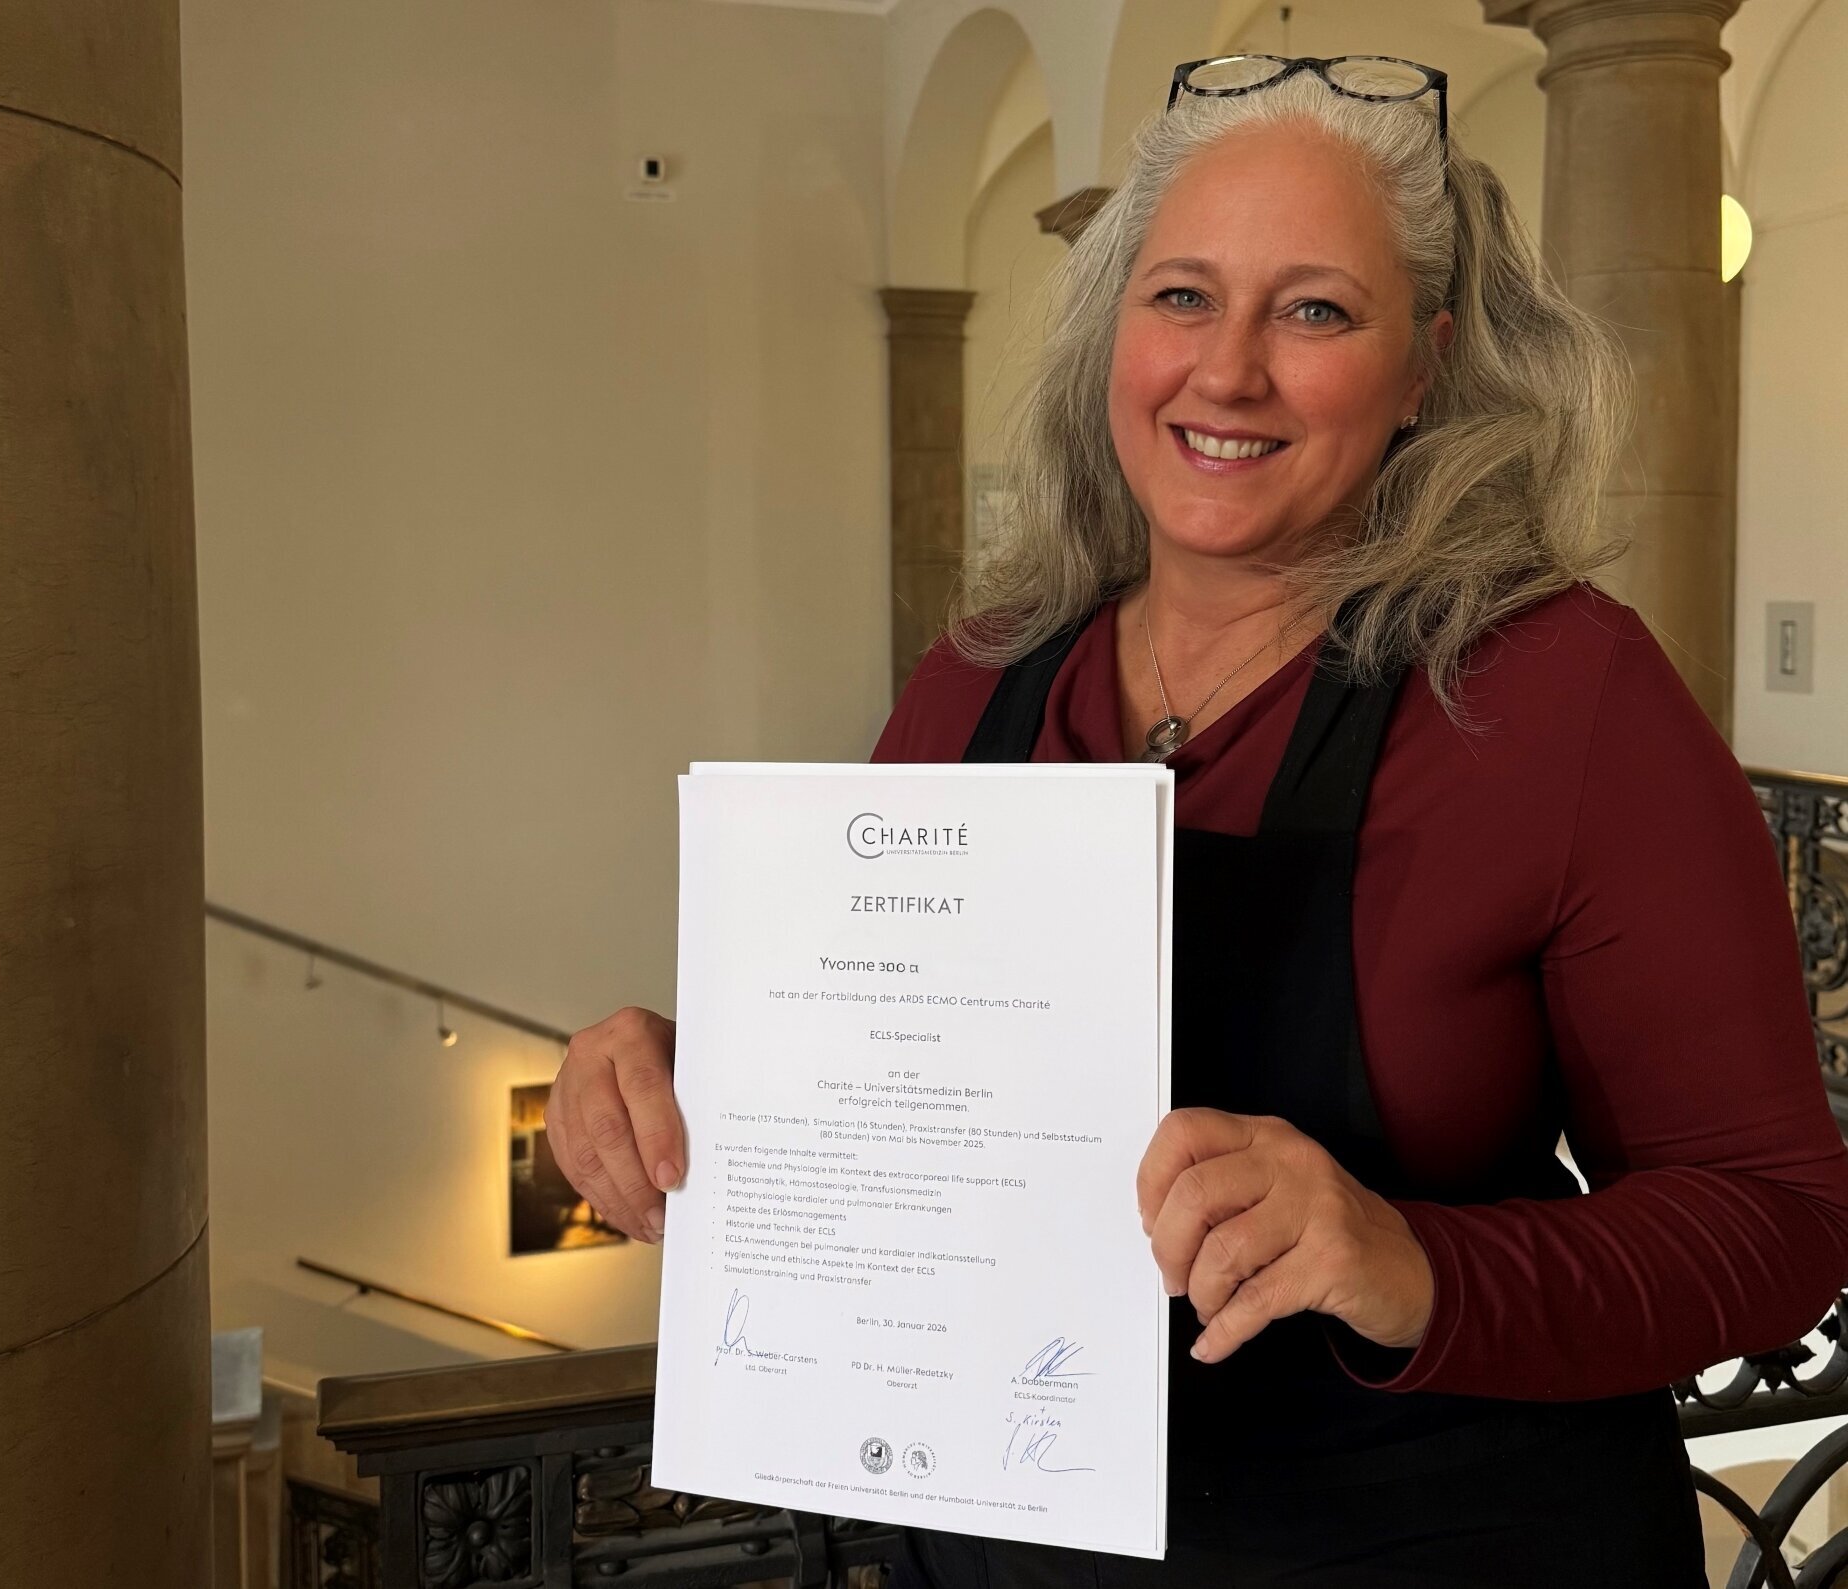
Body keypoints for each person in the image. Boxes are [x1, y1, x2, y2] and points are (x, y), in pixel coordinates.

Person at [547, 55, 1848, 1587]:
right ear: (1113, 335)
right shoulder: (977, 680)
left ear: (1427, 363)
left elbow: (1773, 1227)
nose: (1226, 372)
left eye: (1314, 311)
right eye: (1181, 297)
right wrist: (696, 1080)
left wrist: (1417, 1261)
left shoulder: (1563, 698)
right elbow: (897, 1075)